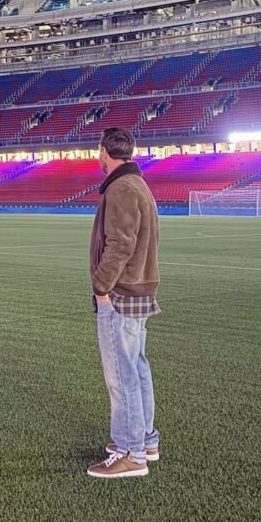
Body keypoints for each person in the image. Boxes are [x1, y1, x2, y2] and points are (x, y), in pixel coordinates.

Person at [86, 127, 161, 479]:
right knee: (137, 368)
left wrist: (101, 286)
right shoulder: (137, 184)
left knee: (121, 374)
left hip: (121, 294)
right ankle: (145, 440)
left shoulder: (121, 188)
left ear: (104, 151)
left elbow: (120, 244)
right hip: (138, 291)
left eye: (98, 150)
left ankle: (131, 453)